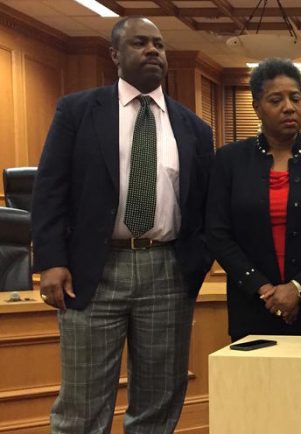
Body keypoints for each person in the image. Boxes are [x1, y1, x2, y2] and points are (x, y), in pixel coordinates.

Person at [31, 16, 214, 433]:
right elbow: (50, 190)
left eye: (159, 45)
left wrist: (195, 265)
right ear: (115, 55)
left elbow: (203, 206)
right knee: (83, 403)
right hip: (92, 271)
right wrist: (52, 260)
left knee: (158, 401)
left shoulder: (194, 129)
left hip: (167, 270)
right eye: (139, 43)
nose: (152, 51)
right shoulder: (77, 111)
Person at [206, 58, 301, 342]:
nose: (289, 107)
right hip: (252, 303)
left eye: (295, 98)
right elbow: (217, 234)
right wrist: (264, 290)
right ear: (257, 107)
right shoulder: (229, 160)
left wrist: (298, 288)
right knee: (254, 385)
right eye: (276, 100)